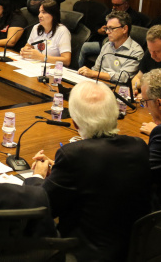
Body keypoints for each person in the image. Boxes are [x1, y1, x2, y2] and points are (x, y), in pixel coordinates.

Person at [26, 81, 150, 260]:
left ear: (75, 123)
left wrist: (37, 176)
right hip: (133, 250)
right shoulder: (139, 146)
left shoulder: (74, 155)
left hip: (85, 254)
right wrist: (61, 172)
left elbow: (44, 208)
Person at [77, 0, 148, 66]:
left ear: (126, 4)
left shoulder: (133, 18)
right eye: (113, 4)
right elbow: (97, 26)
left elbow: (133, 36)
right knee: (84, 45)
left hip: (120, 46)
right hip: (104, 43)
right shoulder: (110, 12)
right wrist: (99, 31)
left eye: (117, 5)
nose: (114, 7)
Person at [78, 11, 144, 84]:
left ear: (124, 29)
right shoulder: (107, 45)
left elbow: (124, 77)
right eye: (107, 28)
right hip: (99, 83)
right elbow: (96, 69)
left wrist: (95, 74)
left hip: (118, 88)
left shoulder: (136, 51)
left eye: (111, 28)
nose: (107, 32)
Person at [21, 0, 72, 66]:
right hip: (35, 65)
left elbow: (66, 61)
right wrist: (25, 50)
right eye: (39, 12)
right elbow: (28, 45)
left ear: (53, 15)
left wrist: (41, 57)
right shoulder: (36, 28)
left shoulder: (62, 31)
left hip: (52, 69)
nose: (39, 15)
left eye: (44, 12)